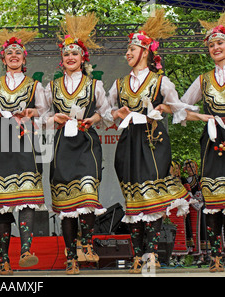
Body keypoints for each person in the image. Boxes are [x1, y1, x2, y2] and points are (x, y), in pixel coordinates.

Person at [104, 9, 191, 274]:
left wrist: (163, 109)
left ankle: (151, 253)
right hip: (129, 141)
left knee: (151, 196)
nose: (127, 54)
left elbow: (179, 108)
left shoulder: (160, 81)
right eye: (128, 50)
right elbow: (106, 112)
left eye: (132, 49)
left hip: (153, 141)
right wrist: (116, 113)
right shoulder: (119, 84)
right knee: (133, 199)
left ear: (145, 51)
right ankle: (139, 256)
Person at [43, 13, 108, 275]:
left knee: (88, 194)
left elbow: (106, 112)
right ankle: (71, 257)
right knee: (67, 206)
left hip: (87, 144)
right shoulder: (53, 87)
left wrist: (93, 117)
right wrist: (54, 117)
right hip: (62, 146)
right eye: (67, 54)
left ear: (83, 59)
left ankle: (87, 244)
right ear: (63, 59)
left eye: (76, 54)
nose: (71, 57)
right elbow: (41, 115)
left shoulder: (95, 85)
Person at [0, 28, 48, 275]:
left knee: (27, 197)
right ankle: (3, 259)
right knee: (2, 201)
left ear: (24, 58)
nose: (13, 55)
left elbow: (45, 114)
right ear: (3, 59)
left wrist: (32, 113)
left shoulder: (35, 85)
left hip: (26, 142)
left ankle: (26, 250)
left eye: (18, 52)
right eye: (9, 52)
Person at [178, 14, 225, 272]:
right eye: (211, 45)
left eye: (220, 43)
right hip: (213, 141)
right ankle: (216, 256)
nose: (216, 48)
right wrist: (203, 116)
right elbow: (180, 109)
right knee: (215, 201)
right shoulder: (203, 79)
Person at [182, 159, 207, 265]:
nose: (190, 169)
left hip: (201, 207)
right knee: (192, 230)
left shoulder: (200, 178)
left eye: (192, 166)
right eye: (188, 167)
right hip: (191, 208)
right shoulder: (185, 180)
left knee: (202, 229)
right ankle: (195, 255)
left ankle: (204, 254)